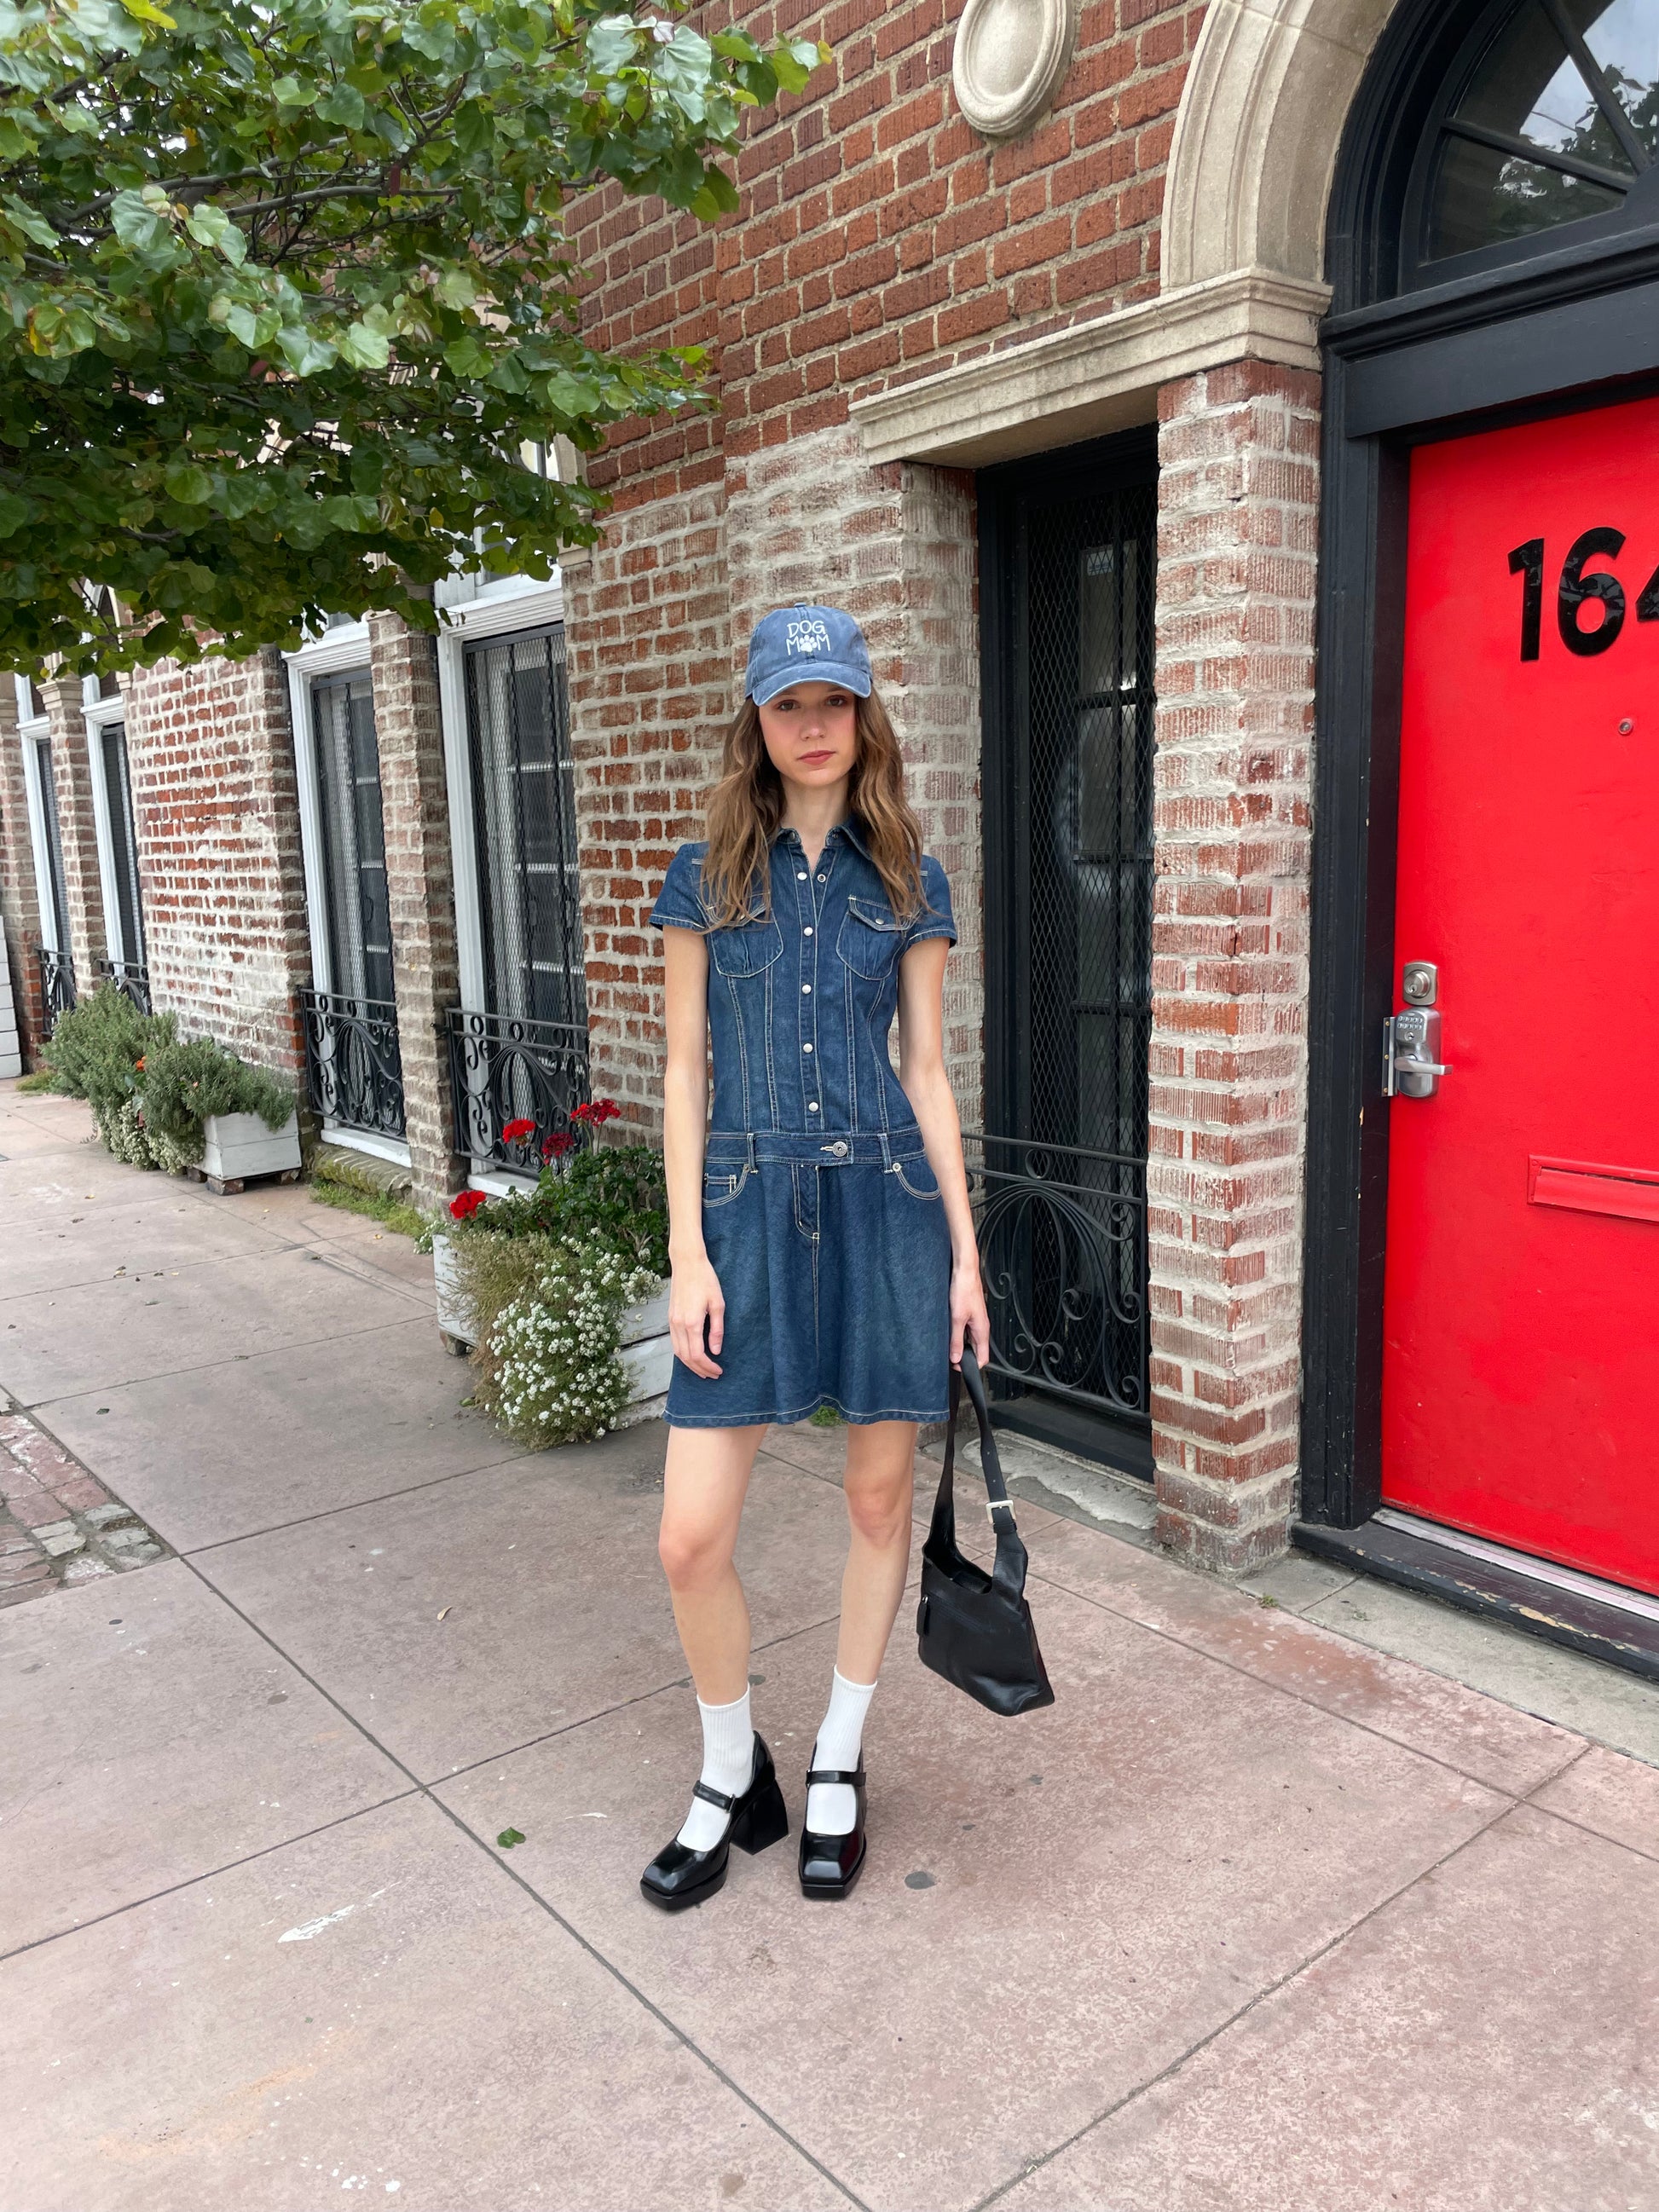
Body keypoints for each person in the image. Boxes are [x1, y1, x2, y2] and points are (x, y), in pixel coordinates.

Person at [639, 603, 992, 1911]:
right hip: (742, 1208)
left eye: (832, 701)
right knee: (689, 1537)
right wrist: (687, 1250)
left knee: (875, 1504)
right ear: (758, 718)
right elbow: (684, 1072)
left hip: (885, 1205)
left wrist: (963, 1258)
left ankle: (838, 1755)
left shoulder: (907, 879)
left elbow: (927, 1072)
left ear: (861, 713)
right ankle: (732, 1767)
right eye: (790, 704)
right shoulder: (703, 877)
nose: (814, 726)